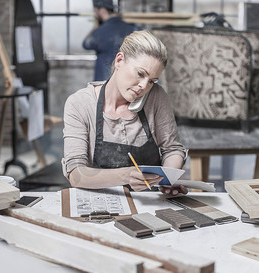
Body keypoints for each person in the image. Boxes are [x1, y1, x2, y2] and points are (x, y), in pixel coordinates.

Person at [62, 30, 188, 195]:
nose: (144, 86)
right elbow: (77, 175)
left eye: (152, 81)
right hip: (100, 204)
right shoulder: (80, 104)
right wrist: (126, 176)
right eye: (140, 74)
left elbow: (172, 149)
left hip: (148, 202)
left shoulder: (156, 97)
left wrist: (167, 180)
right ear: (119, 60)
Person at [83, 0, 139, 81]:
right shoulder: (133, 29)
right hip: (127, 81)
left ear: (102, 10)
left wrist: (96, 24)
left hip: (105, 84)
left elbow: (86, 44)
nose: (95, 15)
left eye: (95, 11)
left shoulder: (99, 32)